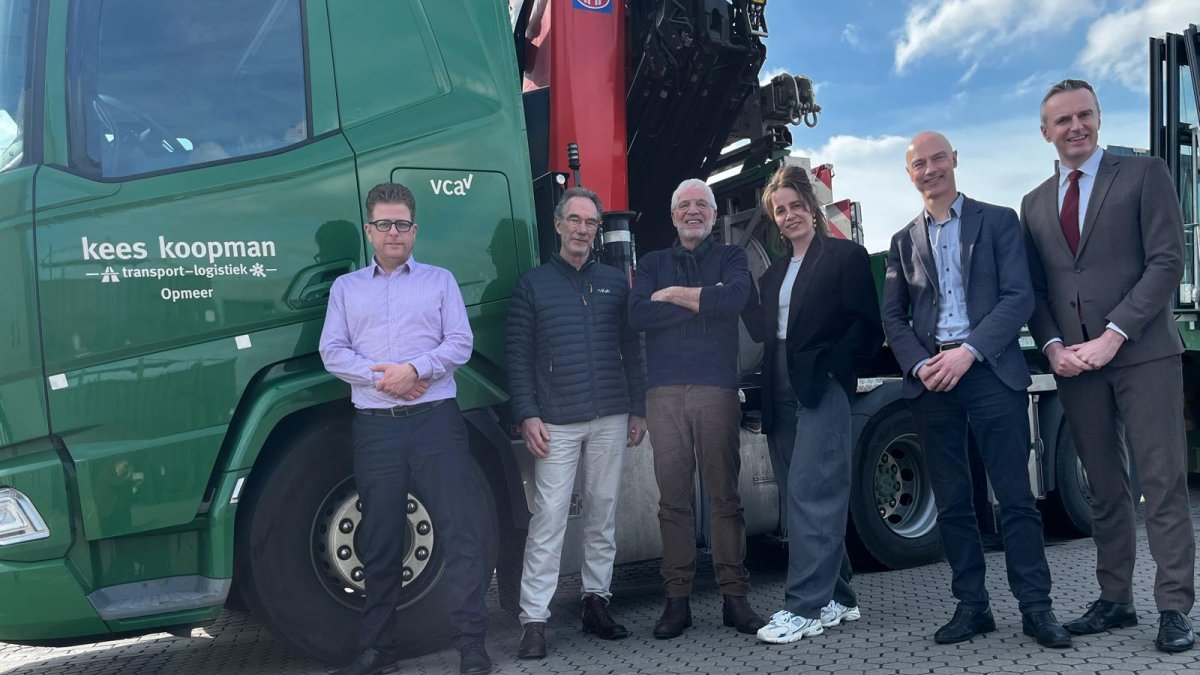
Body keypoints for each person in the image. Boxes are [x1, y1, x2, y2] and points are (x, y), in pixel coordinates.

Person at [1020, 79, 1196, 653]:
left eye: (1085, 115)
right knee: (1103, 488)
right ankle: (1115, 599)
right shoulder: (1035, 202)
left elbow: (1167, 261)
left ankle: (1173, 607)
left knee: (1162, 483)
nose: (1076, 127)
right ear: (1045, 131)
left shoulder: (1144, 176)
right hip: (1076, 366)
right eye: (1063, 120)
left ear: (1099, 118)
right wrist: (1052, 347)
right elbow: (1039, 290)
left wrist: (1115, 333)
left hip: (1143, 354)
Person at [882, 132, 1072, 649]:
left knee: (1014, 498)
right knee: (953, 503)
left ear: (955, 160)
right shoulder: (902, 241)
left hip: (989, 370)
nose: (930, 170)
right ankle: (972, 607)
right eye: (919, 164)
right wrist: (922, 365)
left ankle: (1037, 608)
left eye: (937, 158)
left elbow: (1017, 297)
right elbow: (893, 317)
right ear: (910, 174)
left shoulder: (999, 221)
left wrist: (968, 352)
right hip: (933, 381)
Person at [319, 182, 492, 675]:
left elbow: (460, 342)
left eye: (402, 224)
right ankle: (377, 650)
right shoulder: (346, 289)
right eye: (383, 224)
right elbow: (333, 352)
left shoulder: (440, 282)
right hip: (376, 429)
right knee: (380, 540)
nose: (393, 233)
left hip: (436, 423)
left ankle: (472, 645)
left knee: (460, 531)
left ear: (414, 230)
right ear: (369, 231)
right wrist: (389, 378)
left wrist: (415, 371)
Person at [741, 165, 882, 644]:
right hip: (778, 383)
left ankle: (803, 605)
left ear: (812, 207)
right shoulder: (776, 272)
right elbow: (762, 331)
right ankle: (840, 597)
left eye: (796, 206)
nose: (788, 215)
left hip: (821, 384)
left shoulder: (846, 257)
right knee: (797, 497)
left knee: (811, 492)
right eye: (779, 211)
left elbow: (867, 327)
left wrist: (830, 367)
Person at [506, 187, 647, 659]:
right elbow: (518, 357)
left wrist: (639, 408)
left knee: (603, 512)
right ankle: (535, 621)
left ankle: (596, 602)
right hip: (557, 420)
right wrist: (527, 413)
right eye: (575, 220)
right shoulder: (533, 284)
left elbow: (633, 349)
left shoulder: (614, 281)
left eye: (591, 222)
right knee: (548, 520)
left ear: (596, 231)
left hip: (611, 412)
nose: (583, 229)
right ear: (558, 224)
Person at [628, 178, 766, 639]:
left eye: (701, 205)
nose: (692, 211)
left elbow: (736, 299)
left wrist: (671, 296)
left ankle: (735, 599)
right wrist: (706, 301)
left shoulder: (731, 257)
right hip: (663, 395)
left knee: (725, 497)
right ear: (673, 215)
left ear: (712, 214)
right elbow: (637, 314)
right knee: (673, 502)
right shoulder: (652, 262)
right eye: (683, 204)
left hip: (716, 390)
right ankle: (677, 603)